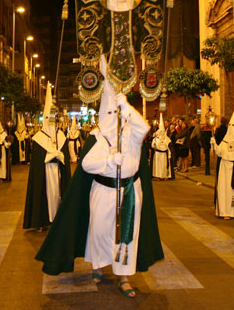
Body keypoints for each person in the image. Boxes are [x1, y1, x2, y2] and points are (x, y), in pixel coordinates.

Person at [35, 55, 163, 298]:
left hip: (129, 192)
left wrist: (126, 105)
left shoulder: (131, 135)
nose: (116, 116)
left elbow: (144, 127)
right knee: (101, 231)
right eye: (112, 110)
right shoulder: (98, 137)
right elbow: (86, 164)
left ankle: (124, 276)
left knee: (126, 234)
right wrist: (108, 161)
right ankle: (99, 266)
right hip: (103, 191)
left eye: (118, 111)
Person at [23, 87, 71, 231]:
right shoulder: (38, 138)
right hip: (44, 174)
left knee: (57, 195)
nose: (52, 123)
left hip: (58, 173)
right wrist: (50, 156)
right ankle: (42, 220)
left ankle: (57, 220)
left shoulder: (61, 136)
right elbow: (37, 163)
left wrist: (61, 156)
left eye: (54, 119)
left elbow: (66, 159)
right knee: (44, 195)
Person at [151, 113, 172, 180]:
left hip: (163, 154)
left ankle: (164, 175)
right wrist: (154, 144)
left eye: (163, 132)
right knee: (158, 166)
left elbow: (168, 147)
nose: (161, 133)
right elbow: (153, 146)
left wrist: (169, 153)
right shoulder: (155, 139)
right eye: (161, 132)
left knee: (163, 165)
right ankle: (158, 175)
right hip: (157, 154)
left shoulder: (166, 139)